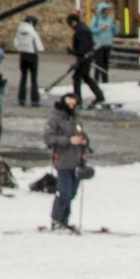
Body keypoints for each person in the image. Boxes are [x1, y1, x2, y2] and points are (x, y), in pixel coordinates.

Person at [43, 89, 90, 230]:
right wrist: (69, 140)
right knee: (64, 192)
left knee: (72, 193)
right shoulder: (55, 118)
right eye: (69, 104)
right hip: (63, 160)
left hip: (77, 160)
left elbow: (82, 133)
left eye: (74, 104)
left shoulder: (76, 117)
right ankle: (56, 219)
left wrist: (84, 141)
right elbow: (48, 138)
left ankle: (65, 219)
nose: (72, 106)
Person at [65, 13, 105, 107]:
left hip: (85, 57)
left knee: (77, 77)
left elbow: (82, 48)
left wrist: (73, 52)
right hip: (85, 57)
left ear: (74, 22)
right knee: (85, 77)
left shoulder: (80, 31)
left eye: (70, 24)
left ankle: (78, 100)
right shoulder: (82, 28)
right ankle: (99, 96)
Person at [13, 14, 43, 107]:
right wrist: (39, 49)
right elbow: (39, 46)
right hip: (32, 55)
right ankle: (35, 100)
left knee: (23, 77)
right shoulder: (32, 32)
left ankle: (21, 98)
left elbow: (16, 43)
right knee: (33, 79)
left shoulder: (19, 30)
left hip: (23, 55)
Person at [89, 1, 115, 84]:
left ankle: (105, 81)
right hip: (99, 44)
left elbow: (113, 31)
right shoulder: (96, 19)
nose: (107, 12)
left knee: (105, 63)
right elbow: (91, 30)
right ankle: (96, 80)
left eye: (108, 10)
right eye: (106, 10)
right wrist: (101, 28)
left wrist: (116, 26)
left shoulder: (109, 19)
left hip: (107, 44)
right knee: (98, 63)